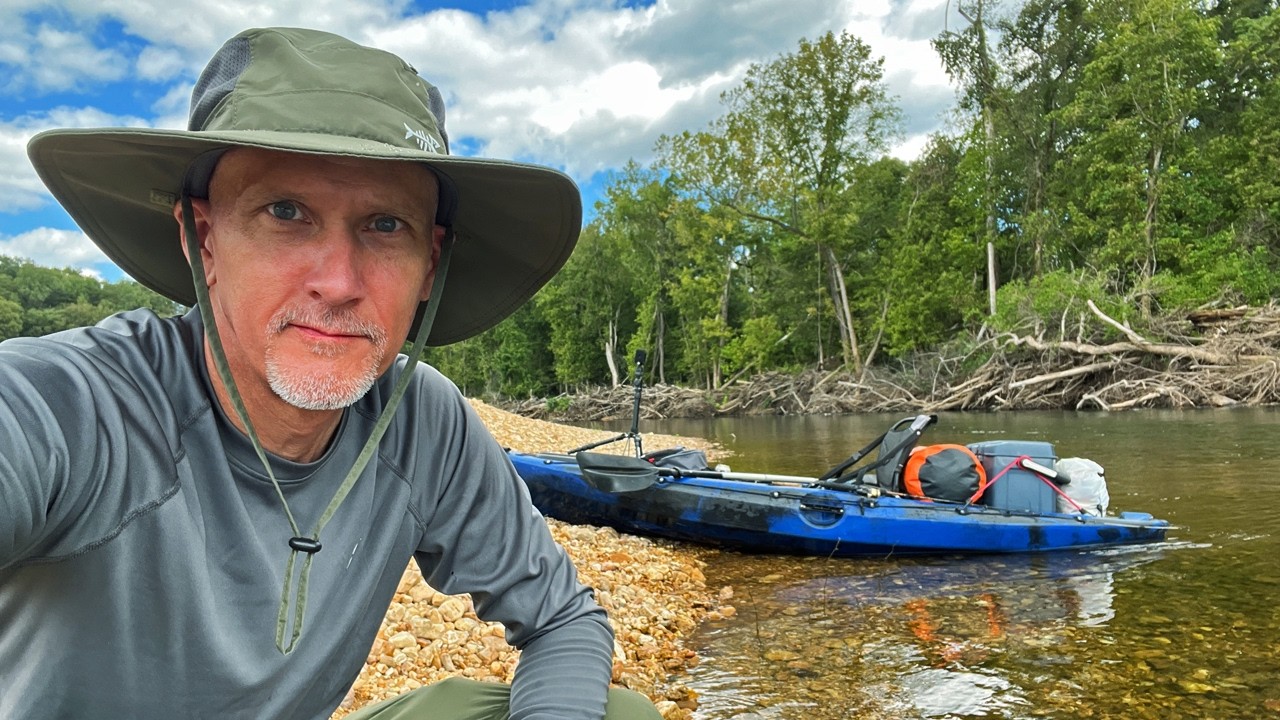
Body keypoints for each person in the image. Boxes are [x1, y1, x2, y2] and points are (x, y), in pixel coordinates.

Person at [1, 27, 661, 720]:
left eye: (385, 225)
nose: (340, 282)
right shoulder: (76, 404)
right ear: (204, 238)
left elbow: (563, 621)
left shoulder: (421, 422)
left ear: (430, 266)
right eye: (285, 212)